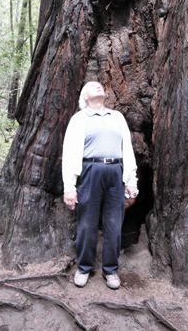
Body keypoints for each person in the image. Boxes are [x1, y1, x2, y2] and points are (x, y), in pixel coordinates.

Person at [62, 81, 138, 289]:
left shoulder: (117, 117)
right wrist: (69, 186)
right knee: (87, 223)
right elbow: (69, 154)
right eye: (92, 85)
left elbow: (127, 150)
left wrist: (131, 180)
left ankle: (111, 270)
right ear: (84, 97)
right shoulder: (79, 119)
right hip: (89, 171)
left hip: (116, 172)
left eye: (100, 85)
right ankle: (84, 267)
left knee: (114, 223)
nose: (98, 86)